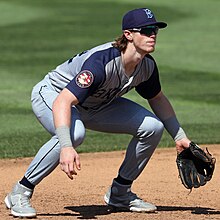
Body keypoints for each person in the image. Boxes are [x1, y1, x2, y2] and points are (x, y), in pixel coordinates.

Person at [4, 8, 191, 218]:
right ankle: (20, 192)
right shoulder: (101, 64)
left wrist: (179, 136)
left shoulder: (146, 66)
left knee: (152, 127)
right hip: (53, 95)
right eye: (146, 30)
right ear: (128, 35)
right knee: (74, 135)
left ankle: (120, 193)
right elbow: (63, 102)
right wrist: (66, 146)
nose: (153, 35)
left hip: (95, 104)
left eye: (155, 30)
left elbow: (157, 98)